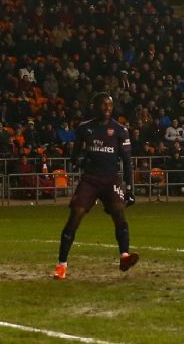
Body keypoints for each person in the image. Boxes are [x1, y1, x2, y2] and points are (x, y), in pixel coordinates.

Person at [54, 93, 138, 280]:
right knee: (76, 215)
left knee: (119, 212)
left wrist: (130, 188)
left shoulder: (120, 130)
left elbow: (127, 160)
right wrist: (84, 162)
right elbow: (74, 156)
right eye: (103, 105)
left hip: (110, 180)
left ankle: (124, 255)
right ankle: (61, 266)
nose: (107, 108)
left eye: (110, 105)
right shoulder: (85, 128)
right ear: (95, 107)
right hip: (90, 179)